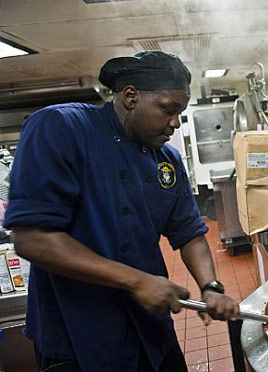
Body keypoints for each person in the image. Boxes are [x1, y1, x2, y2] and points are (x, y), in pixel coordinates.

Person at [4, 51, 239, 372]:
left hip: (150, 330)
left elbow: (189, 233)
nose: (175, 122)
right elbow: (33, 239)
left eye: (180, 113)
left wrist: (210, 286)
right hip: (77, 336)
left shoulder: (166, 159)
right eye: (168, 110)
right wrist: (137, 281)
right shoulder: (61, 127)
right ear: (130, 96)